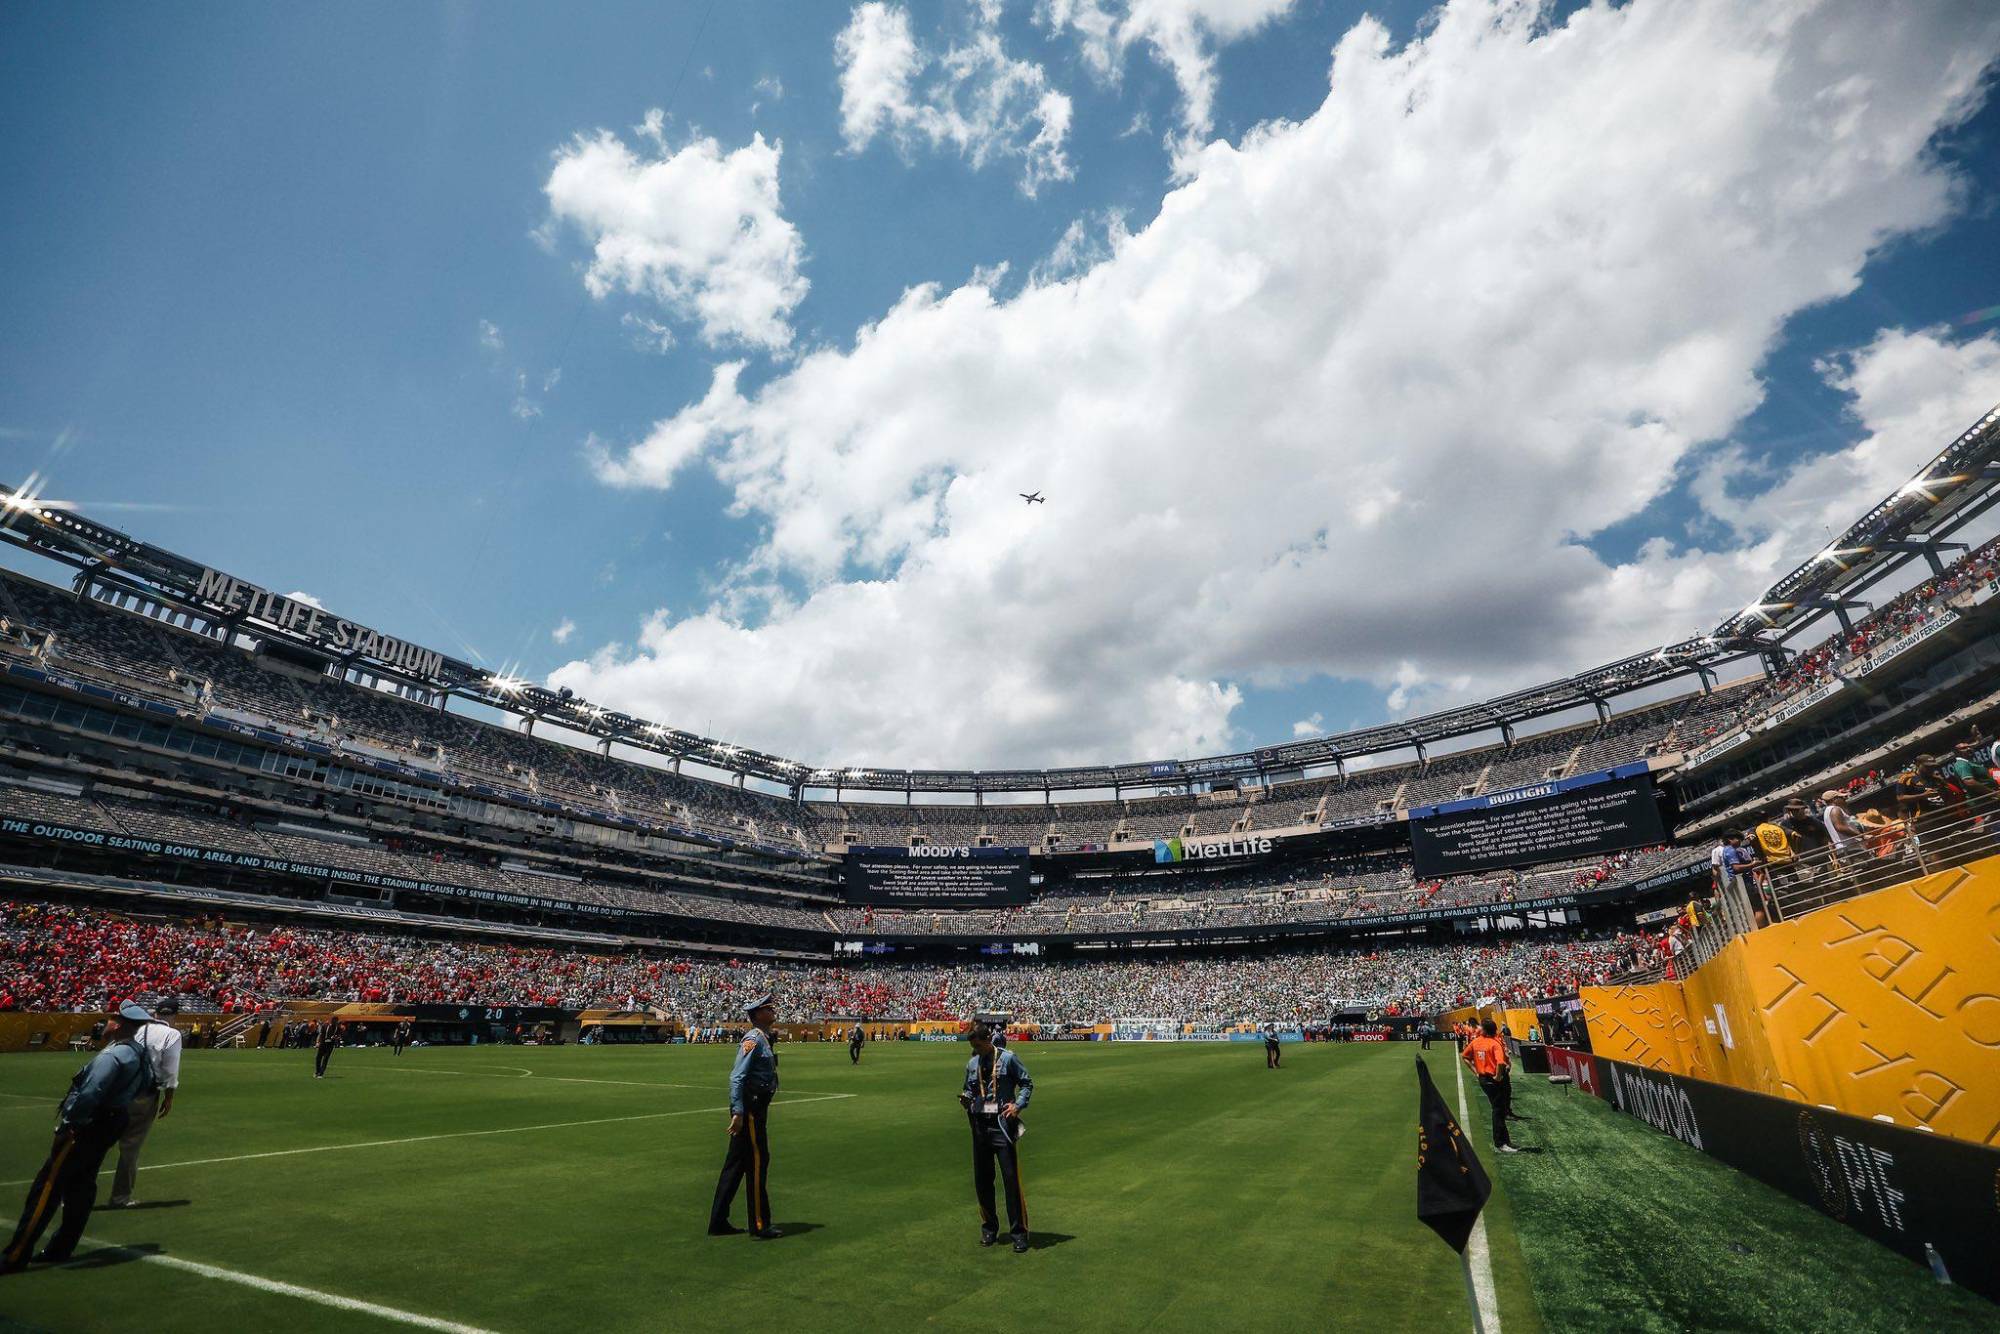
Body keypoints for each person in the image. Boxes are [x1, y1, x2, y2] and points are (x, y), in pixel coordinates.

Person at [3, 1002, 157, 1273]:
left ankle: (16, 1254)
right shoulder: (139, 1052)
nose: (106, 1022)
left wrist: (71, 1122)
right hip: (114, 1119)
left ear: (118, 1023)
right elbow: (146, 1084)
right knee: (82, 1185)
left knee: (48, 1186)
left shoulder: (114, 1055)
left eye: (110, 1018)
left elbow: (90, 1092)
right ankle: (61, 1247)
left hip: (90, 1123)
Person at [709, 994, 781, 1239]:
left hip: (753, 1108)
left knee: (736, 1165)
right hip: (751, 1110)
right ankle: (760, 1224)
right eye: (767, 1008)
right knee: (758, 1163)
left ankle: (718, 1220)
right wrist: (738, 1111)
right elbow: (737, 1077)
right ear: (757, 1014)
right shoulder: (753, 1039)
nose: (772, 1010)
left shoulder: (764, 1038)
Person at [959, 1020, 1033, 1252]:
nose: (977, 1051)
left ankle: (1019, 1233)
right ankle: (989, 1229)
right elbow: (969, 1089)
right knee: (982, 1181)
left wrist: (1018, 1105)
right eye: (974, 1047)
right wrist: (966, 1099)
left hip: (1001, 1126)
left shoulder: (1009, 1059)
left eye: (979, 1046)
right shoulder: (972, 1063)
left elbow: (1027, 1084)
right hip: (980, 1127)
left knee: (1011, 1180)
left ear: (988, 1040)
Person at [108, 999, 183, 1209]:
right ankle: (120, 1197)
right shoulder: (172, 1034)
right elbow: (170, 1070)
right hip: (142, 1094)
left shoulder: (137, 1028)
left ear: (155, 1013)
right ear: (175, 1015)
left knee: (96, 1143)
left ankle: (67, 1193)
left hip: (114, 1088)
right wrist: (169, 1097)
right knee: (130, 1147)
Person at [1461, 1019, 1517, 1153]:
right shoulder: (1494, 1043)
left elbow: (1465, 1056)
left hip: (1483, 1078)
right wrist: (1498, 1077)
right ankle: (1500, 1143)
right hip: (1494, 1080)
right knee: (1498, 1110)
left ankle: (1505, 1140)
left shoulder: (1476, 1042)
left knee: (1499, 1109)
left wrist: (1475, 1072)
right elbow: (1501, 1063)